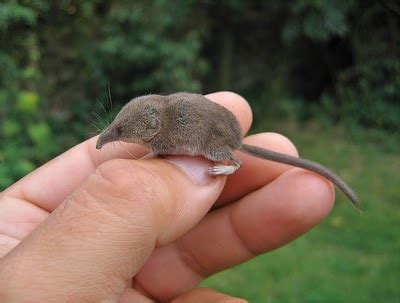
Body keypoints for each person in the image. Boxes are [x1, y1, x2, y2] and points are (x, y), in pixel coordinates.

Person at [0, 92, 334, 302]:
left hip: (217, 136)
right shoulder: (157, 119)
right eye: (115, 130)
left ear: (152, 128)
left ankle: (231, 164)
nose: (111, 136)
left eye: (119, 132)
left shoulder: (165, 137)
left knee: (215, 153)